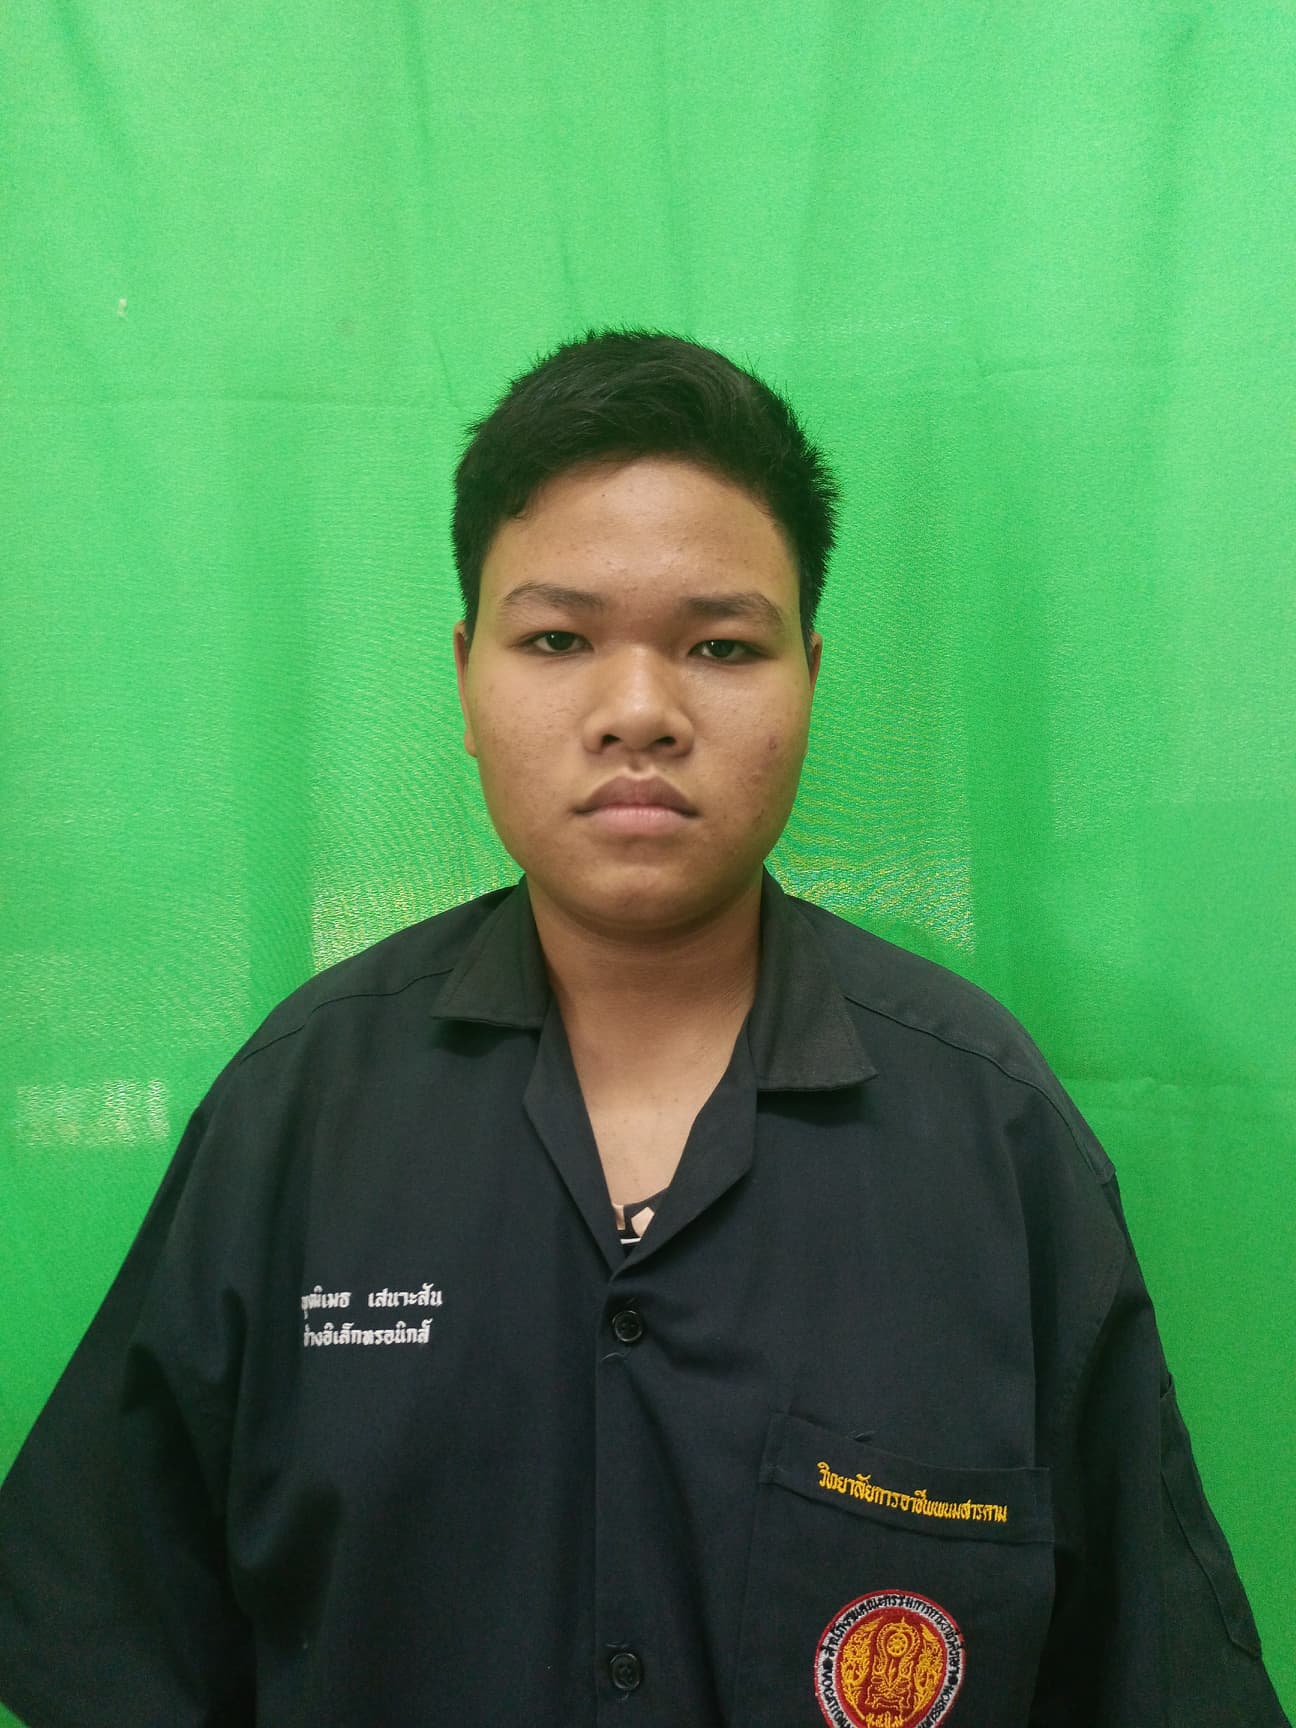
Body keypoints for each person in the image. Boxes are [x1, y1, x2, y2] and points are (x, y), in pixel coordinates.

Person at [0, 328, 1287, 1728]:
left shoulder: (991, 1133)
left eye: (720, 646)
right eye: (558, 639)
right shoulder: (296, 1114)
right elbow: (102, 1632)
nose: (638, 713)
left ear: (809, 675)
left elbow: (1155, 1677)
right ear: (466, 677)